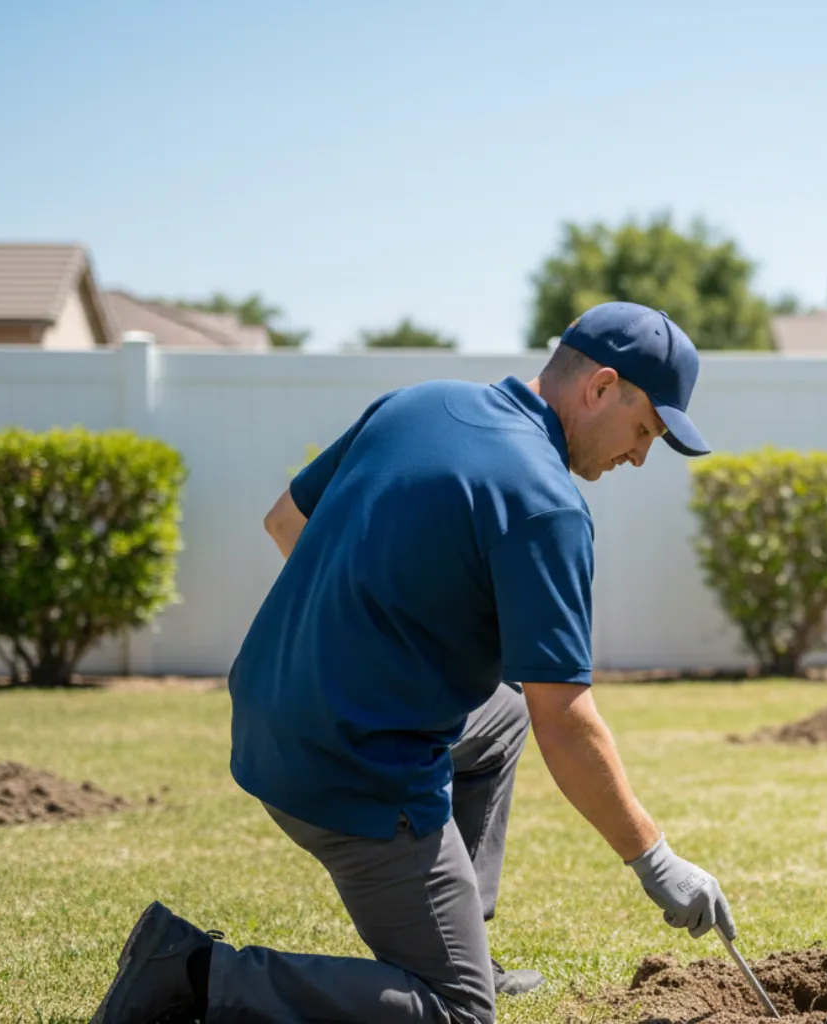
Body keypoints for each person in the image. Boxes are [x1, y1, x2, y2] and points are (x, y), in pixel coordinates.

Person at [91, 301, 735, 1024]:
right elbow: (567, 718)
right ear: (600, 387)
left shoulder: (420, 404)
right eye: (645, 428)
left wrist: (374, 635)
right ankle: (193, 975)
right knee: (460, 1013)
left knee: (501, 718)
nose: (640, 454)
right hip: (355, 762)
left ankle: (462, 940)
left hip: (268, 713)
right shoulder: (546, 505)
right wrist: (656, 861)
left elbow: (285, 521)